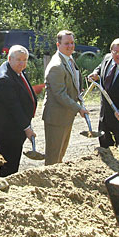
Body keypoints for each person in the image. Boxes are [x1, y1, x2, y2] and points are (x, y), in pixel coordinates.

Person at [42, 30, 89, 166]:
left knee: (60, 155)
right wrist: (78, 108)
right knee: (53, 158)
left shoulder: (69, 59)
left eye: (72, 43)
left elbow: (73, 82)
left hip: (66, 115)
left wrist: (78, 92)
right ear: (58, 45)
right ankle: (49, 185)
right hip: (56, 117)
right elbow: (60, 94)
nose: (70, 46)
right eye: (66, 43)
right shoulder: (56, 66)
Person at [0, 45, 37, 177]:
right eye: (19, 60)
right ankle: (3, 191)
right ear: (10, 58)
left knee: (12, 162)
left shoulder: (16, 71)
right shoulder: (5, 79)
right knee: (8, 164)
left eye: (25, 60)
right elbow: (14, 107)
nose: (22, 63)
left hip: (15, 127)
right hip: (8, 130)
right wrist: (27, 128)